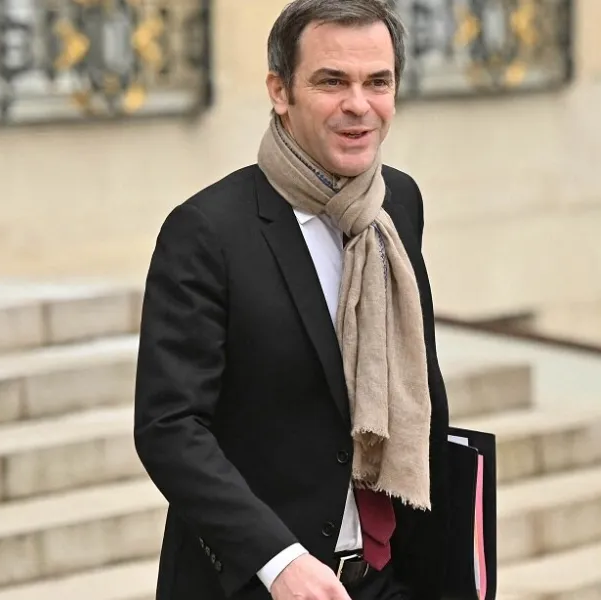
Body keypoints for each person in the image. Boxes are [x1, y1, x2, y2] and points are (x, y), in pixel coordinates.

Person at [132, 1, 450, 599]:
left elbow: (418, 382)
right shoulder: (206, 232)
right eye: (332, 81)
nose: (359, 105)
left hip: (387, 575)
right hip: (261, 583)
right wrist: (279, 561)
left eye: (377, 82)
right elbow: (169, 427)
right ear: (280, 90)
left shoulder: (397, 205)